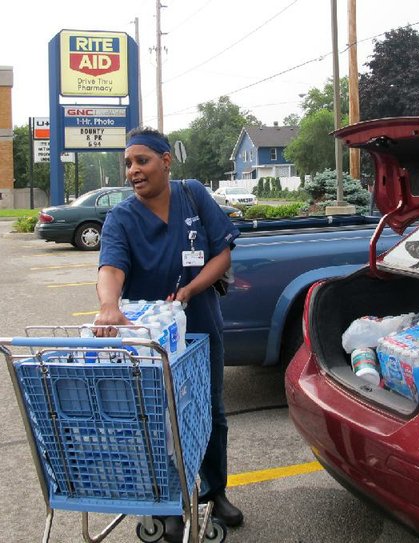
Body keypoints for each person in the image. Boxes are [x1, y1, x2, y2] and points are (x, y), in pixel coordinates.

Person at [94, 127, 244, 533]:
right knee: (155, 418)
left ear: (165, 160)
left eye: (141, 160)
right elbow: (111, 267)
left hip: (198, 326)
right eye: (127, 163)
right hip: (150, 339)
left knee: (209, 410)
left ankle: (215, 491)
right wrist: (110, 307)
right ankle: (166, 502)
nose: (133, 171)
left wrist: (193, 289)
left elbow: (222, 252)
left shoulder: (193, 194)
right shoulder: (121, 219)